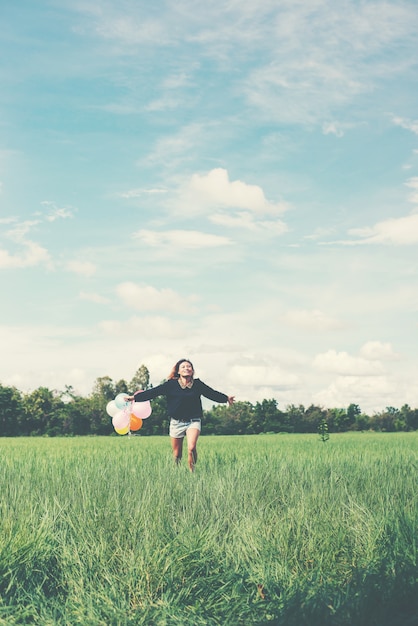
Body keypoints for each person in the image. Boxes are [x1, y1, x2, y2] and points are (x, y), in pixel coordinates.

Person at [126, 359, 234, 471]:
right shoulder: (171, 385)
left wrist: (225, 398)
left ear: (192, 371)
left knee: (191, 448)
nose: (186, 368)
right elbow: (154, 392)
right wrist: (135, 398)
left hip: (193, 421)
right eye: (183, 367)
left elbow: (212, 393)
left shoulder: (197, 384)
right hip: (176, 422)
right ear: (178, 371)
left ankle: (193, 472)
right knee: (177, 454)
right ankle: (177, 472)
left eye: (189, 366)